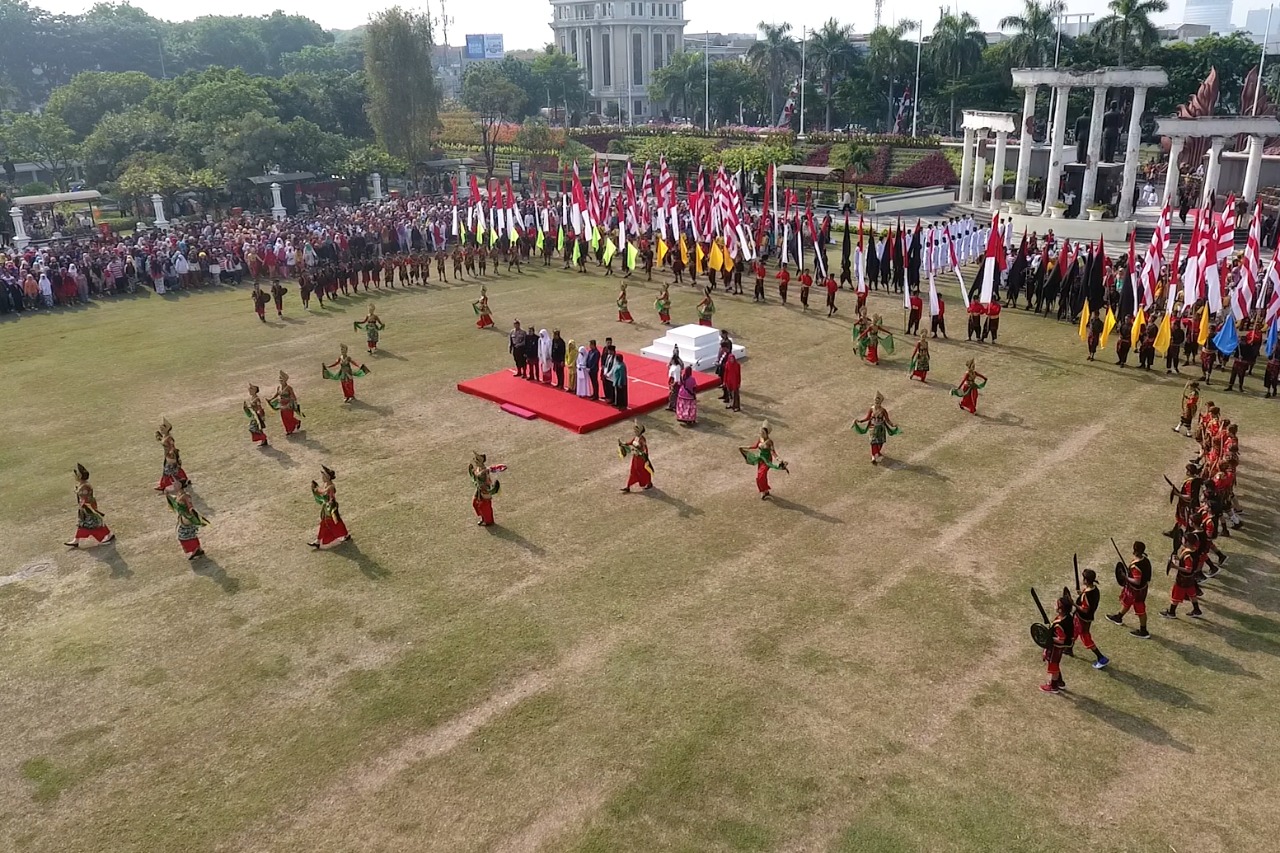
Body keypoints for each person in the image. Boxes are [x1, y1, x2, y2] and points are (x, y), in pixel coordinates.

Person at [1106, 541, 1153, 639]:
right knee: (1127, 601)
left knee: (1140, 610)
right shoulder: (1145, 560)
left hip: (1137, 591)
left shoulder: (1136, 566)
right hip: (1136, 589)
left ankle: (1143, 630)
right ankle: (1119, 617)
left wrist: (1125, 577)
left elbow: (1137, 581)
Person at [65, 463, 115, 549]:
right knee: (86, 523)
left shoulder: (84, 486)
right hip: (85, 507)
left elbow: (84, 496)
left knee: (92, 523)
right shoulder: (83, 484)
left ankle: (106, 536)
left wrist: (78, 494)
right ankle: (76, 540)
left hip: (88, 507)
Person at [739, 422, 788, 499]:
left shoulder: (769, 442)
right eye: (761, 432)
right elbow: (755, 446)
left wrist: (778, 459)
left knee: (761, 476)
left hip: (767, 461)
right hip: (760, 459)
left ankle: (764, 490)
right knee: (760, 476)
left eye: (763, 432)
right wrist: (744, 447)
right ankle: (765, 491)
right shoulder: (760, 439)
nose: (761, 434)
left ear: (766, 433)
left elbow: (772, 452)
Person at [1040, 589, 1075, 694]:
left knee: (1053, 665)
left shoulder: (1060, 625)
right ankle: (1060, 682)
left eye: (1057, 604)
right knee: (1054, 664)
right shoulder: (1067, 617)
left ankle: (1053, 686)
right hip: (1056, 647)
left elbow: (1061, 639)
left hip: (1056, 648)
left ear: (1061, 609)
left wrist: (1049, 638)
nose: (1055, 605)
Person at [1074, 569, 1109, 669]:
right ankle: (1068, 648)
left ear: (1086, 580)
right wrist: (1081, 594)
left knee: (1086, 638)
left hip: (1083, 619)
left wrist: (1073, 603)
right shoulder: (1094, 589)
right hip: (1084, 618)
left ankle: (1101, 657)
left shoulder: (1087, 594)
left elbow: (1085, 609)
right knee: (1074, 631)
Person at [309, 465, 351, 549]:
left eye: (323, 476)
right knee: (325, 524)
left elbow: (327, 495)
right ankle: (317, 541)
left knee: (335, 522)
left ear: (327, 477)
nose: (322, 478)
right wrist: (316, 488)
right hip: (327, 508)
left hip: (331, 508)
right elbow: (322, 492)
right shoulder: (326, 484)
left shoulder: (331, 486)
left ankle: (345, 535)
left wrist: (316, 489)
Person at [1161, 539, 1204, 620]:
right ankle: (1196, 609)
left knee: (1176, 594)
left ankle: (1171, 612)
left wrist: (1175, 567)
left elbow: (1188, 569)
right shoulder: (1193, 551)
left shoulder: (1188, 555)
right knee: (1192, 593)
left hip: (1183, 579)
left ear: (1188, 542)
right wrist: (1178, 559)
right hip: (1190, 578)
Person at [852, 392, 900, 464]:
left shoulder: (883, 410)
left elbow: (887, 419)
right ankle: (874, 455)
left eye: (878, 403)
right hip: (873, 427)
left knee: (880, 442)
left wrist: (893, 425)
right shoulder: (872, 409)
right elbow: (868, 417)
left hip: (881, 428)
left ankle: (876, 453)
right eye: (875, 402)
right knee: (873, 441)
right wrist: (860, 421)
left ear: (880, 403)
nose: (876, 404)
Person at [165, 483, 208, 561]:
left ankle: (195, 550)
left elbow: (189, 505)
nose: (173, 486)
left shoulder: (186, 496)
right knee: (190, 533)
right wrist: (168, 495)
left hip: (187, 518)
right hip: (184, 517)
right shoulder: (179, 495)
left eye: (175, 485)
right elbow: (175, 501)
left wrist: (193, 513)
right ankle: (198, 549)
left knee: (184, 534)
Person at [468, 451, 505, 526]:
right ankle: (482, 517)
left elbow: (481, 477)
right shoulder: (479, 469)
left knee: (484, 506)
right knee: (475, 502)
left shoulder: (484, 471)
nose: (475, 461)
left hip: (484, 490)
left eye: (476, 460)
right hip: (479, 489)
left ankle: (488, 521)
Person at [154, 419, 191, 492]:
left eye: (162, 429)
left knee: (170, 470)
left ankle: (172, 483)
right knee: (170, 470)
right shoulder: (165, 436)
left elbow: (172, 446)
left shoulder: (169, 438)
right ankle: (165, 484)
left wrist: (171, 453)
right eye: (160, 429)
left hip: (170, 456)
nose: (161, 430)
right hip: (166, 455)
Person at [618, 422, 654, 492]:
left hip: (641, 458)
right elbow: (630, 443)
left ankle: (649, 483)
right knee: (633, 470)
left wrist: (637, 447)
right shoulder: (636, 438)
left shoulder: (642, 439)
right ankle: (628, 486)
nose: (634, 432)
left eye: (636, 431)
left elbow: (643, 449)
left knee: (643, 471)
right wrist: (623, 444)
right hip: (635, 457)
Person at [269, 370, 304, 436]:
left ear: (285, 380)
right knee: (284, 418)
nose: (281, 381)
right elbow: (277, 394)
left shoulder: (289, 388)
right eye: (280, 380)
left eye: (282, 380)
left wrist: (291, 403)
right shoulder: (279, 388)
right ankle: (288, 429)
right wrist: (271, 399)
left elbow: (293, 396)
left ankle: (295, 424)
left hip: (288, 404)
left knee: (289, 417)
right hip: (282, 404)